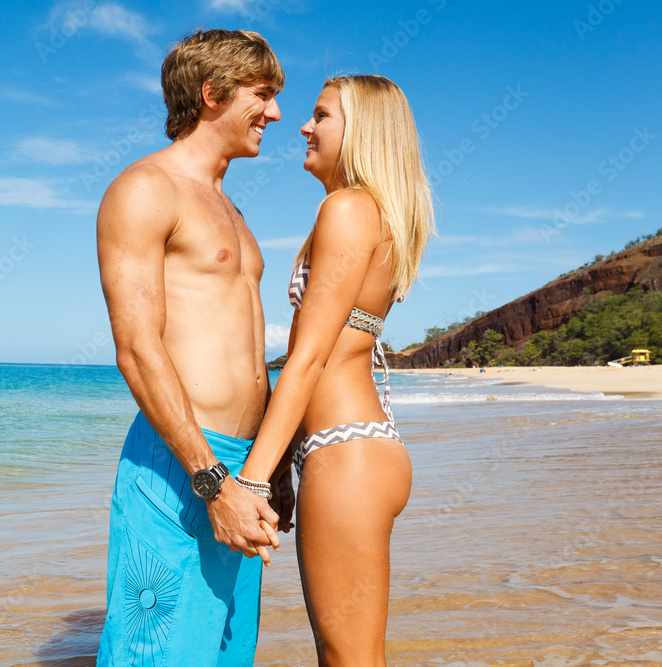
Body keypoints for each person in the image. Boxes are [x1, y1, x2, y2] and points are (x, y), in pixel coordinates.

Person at [95, 29, 287, 664]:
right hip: (184, 463)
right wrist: (212, 482)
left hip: (243, 467)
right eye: (262, 95)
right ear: (212, 94)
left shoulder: (231, 209)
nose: (276, 113)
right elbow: (136, 347)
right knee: (159, 654)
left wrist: (267, 469)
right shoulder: (146, 189)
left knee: (227, 653)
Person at [237, 75, 434, 664]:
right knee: (347, 653)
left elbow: (309, 358)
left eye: (321, 116)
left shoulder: (348, 210)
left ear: (361, 132)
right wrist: (286, 472)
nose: (302, 125)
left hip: (345, 451)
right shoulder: (376, 214)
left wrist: (253, 477)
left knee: (347, 656)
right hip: (354, 447)